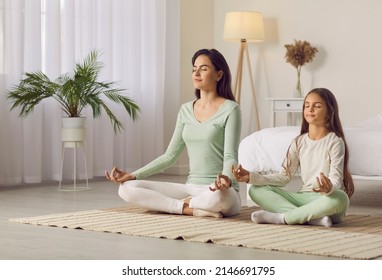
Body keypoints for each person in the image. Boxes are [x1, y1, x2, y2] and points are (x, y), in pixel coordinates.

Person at [106, 48, 241, 218]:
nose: (196, 73)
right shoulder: (185, 110)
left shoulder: (230, 109)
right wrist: (133, 175)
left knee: (219, 198)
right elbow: (170, 156)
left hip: (220, 191)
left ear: (219, 75)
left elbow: (230, 155)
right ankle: (188, 208)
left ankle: (180, 205)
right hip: (190, 187)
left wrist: (226, 180)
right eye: (194, 69)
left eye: (204, 68)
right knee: (127, 189)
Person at [232, 88, 354, 227]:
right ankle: (310, 218)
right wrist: (251, 177)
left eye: (317, 106)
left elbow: (336, 179)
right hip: (303, 198)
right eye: (307, 105)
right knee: (255, 189)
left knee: (341, 198)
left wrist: (329, 188)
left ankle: (284, 218)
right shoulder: (299, 142)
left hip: (326, 199)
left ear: (329, 112)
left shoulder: (335, 141)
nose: (310, 109)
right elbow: (284, 177)